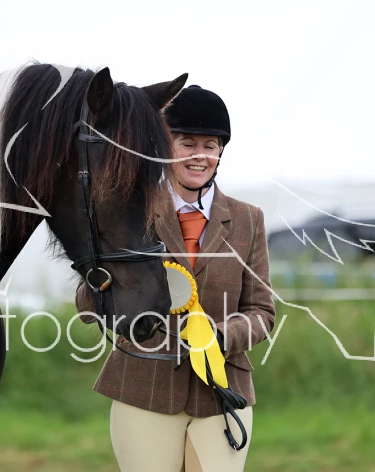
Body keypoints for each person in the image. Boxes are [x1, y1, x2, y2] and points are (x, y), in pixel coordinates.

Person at [75, 85, 276, 472]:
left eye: (210, 145)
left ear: (220, 152)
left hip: (221, 388)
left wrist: (219, 337)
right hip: (143, 386)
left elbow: (262, 312)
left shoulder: (248, 220)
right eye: (187, 144)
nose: (200, 155)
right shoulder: (130, 210)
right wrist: (101, 278)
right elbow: (86, 309)